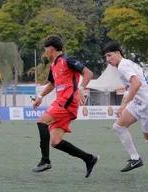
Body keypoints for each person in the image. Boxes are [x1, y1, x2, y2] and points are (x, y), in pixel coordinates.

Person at [103, 41, 148, 172]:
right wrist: (123, 105)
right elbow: (131, 87)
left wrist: (124, 104)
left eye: (109, 55)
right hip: (139, 103)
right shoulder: (127, 64)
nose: (107, 59)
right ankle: (135, 158)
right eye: (106, 57)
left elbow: (136, 84)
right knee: (118, 127)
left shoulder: (122, 66)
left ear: (118, 53)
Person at [32, 35, 99, 178]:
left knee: (41, 122)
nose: (45, 54)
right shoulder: (54, 65)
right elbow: (52, 84)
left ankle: (45, 161)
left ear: (51, 49)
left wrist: (81, 88)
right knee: (55, 142)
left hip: (67, 101)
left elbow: (88, 73)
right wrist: (40, 97)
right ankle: (89, 158)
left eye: (46, 51)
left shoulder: (67, 60)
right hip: (62, 102)